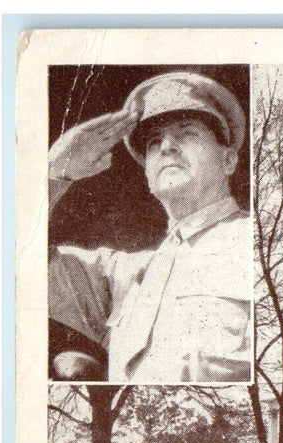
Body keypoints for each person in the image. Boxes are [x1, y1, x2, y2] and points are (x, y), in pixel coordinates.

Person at [48, 71, 252, 383]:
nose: (166, 146)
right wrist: (53, 173)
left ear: (228, 161)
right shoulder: (123, 277)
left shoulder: (257, 243)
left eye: (187, 133)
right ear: (148, 176)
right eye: (154, 142)